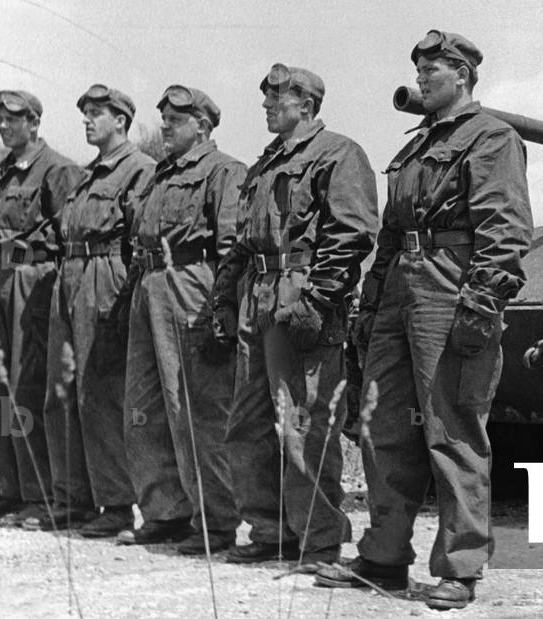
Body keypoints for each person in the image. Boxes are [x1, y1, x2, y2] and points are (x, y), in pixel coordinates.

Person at [314, 30, 533, 610]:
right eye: (420, 67)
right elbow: (389, 234)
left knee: (452, 428)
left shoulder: (491, 138)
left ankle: (460, 568)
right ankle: (383, 557)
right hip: (400, 291)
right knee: (385, 428)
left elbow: (504, 232)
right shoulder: (413, 149)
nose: (422, 76)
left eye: (433, 67)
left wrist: (481, 305)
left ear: (462, 74)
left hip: (449, 285)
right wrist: (372, 302)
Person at [213, 64, 377, 566]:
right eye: (266, 97)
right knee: (249, 422)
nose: (266, 105)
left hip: (299, 291)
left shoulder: (339, 154)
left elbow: (352, 233)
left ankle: (319, 538)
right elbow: (242, 241)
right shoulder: (265, 165)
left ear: (307, 105)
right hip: (257, 293)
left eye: (278, 97)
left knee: (303, 423)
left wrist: (317, 300)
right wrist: (223, 297)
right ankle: (270, 530)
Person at [116, 85, 243, 554]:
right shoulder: (157, 176)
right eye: (163, 117)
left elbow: (231, 246)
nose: (165, 125)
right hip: (148, 287)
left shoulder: (224, 171)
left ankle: (216, 520)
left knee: (195, 408)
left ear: (203, 126)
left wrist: (222, 308)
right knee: (142, 407)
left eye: (177, 118)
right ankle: (165, 511)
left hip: (191, 284)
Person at [30, 85, 154, 536]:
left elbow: (142, 235)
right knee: (59, 389)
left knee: (102, 393)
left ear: (121, 119)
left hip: (107, 273)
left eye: (97, 113)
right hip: (71, 274)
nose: (87, 120)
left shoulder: (140, 170)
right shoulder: (86, 175)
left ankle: (118, 504)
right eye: (84, 113)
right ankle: (72, 498)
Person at [0, 91, 82, 523]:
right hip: (2, 278)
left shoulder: (57, 169)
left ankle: (39, 491)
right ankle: (9, 486)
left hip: (35, 281)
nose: (4, 127)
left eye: (13, 119)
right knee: (0, 385)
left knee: (29, 383)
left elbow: (71, 236)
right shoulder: (3, 172)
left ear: (34, 122)